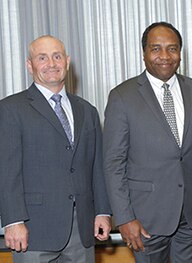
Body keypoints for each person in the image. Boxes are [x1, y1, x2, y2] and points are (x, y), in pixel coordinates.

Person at [103, 22, 192, 263]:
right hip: (145, 220)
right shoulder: (122, 97)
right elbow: (113, 163)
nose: (164, 56)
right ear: (144, 53)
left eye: (172, 49)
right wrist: (125, 217)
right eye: (156, 49)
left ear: (180, 53)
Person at [0, 35, 112, 263]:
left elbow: (96, 166)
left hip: (81, 230)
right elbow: (6, 170)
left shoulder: (87, 111)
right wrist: (13, 221)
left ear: (67, 62)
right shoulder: (10, 109)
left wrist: (102, 211)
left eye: (57, 56)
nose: (51, 64)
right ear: (29, 65)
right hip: (33, 230)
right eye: (42, 58)